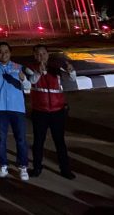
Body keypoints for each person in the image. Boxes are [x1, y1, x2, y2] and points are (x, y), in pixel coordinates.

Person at [26, 44, 76, 179]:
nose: (41, 56)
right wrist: (39, 72)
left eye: (43, 53)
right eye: (38, 54)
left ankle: (65, 169)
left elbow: (72, 78)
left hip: (57, 111)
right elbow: (31, 81)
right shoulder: (30, 68)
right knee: (38, 141)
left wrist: (71, 71)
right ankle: (37, 167)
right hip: (40, 112)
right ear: (34, 56)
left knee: (60, 142)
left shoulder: (56, 67)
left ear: (48, 54)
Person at [0, 41, 31, 180]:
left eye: (6, 51)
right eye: (0, 52)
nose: (3, 54)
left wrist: (23, 80)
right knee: (1, 139)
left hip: (17, 108)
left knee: (21, 139)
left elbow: (28, 87)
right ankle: (3, 165)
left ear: (10, 53)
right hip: (0, 108)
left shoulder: (19, 67)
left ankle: (23, 167)